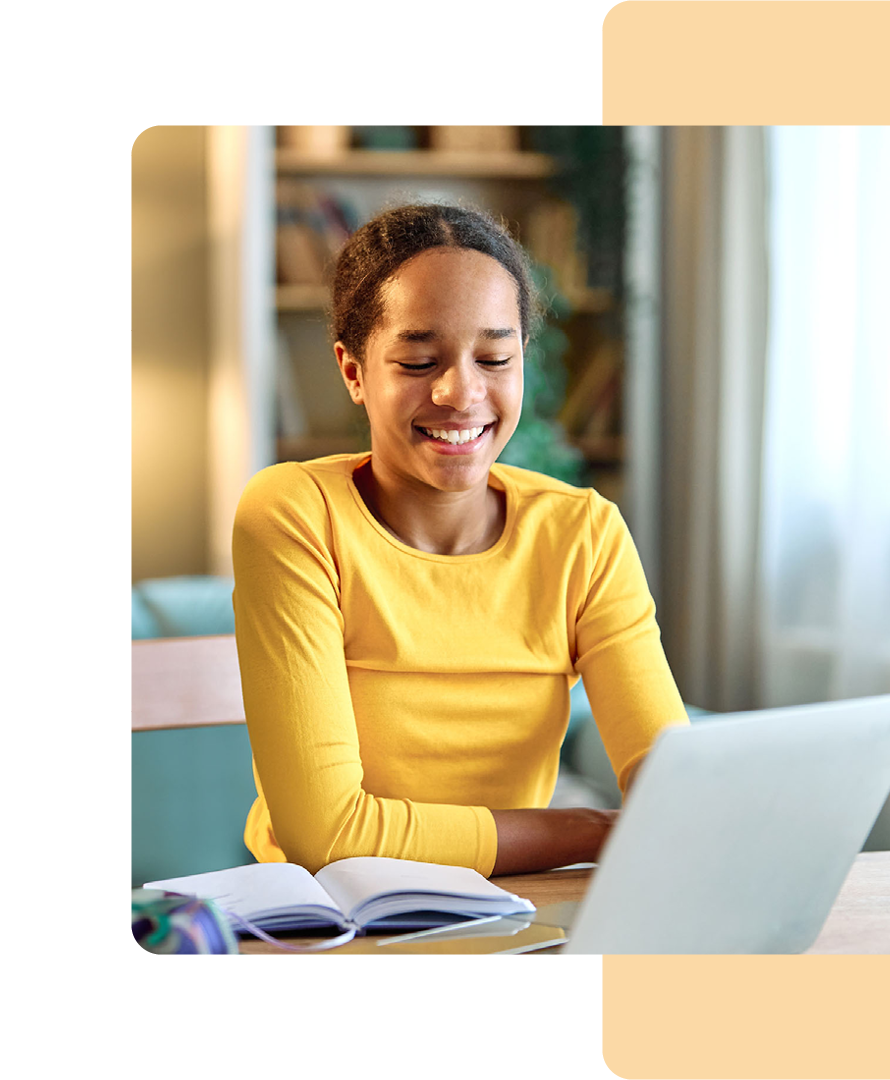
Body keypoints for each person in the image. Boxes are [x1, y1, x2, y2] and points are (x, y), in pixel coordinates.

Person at [233, 203, 688, 879]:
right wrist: (595, 830)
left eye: (495, 357)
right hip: (336, 920)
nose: (461, 392)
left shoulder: (583, 533)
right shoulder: (296, 514)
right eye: (418, 361)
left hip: (520, 908)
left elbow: (671, 786)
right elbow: (327, 835)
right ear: (354, 372)